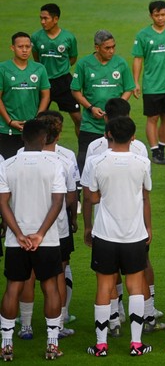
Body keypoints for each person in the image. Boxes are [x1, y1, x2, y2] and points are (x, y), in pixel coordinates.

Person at [84, 117, 153, 357]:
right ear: (133, 136)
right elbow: (145, 195)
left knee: (104, 286)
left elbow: (92, 198)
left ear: (108, 134)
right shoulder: (143, 162)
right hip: (134, 234)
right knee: (135, 287)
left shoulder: (96, 161)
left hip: (105, 234)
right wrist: (148, 227)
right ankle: (136, 344)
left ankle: (101, 345)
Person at [0, 120, 66, 361]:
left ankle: (6, 344)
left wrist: (18, 234)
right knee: (50, 287)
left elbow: (2, 203)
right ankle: (52, 343)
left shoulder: (8, 165)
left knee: (13, 288)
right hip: (46, 240)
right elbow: (58, 202)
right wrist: (39, 234)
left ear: (22, 138)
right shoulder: (55, 164)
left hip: (16, 240)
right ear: (44, 139)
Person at [15, 112, 78, 341]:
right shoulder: (66, 157)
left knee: (27, 275)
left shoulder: (19, 155)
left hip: (23, 228)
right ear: (57, 133)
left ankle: (26, 326)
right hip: (55, 229)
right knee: (56, 276)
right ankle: (58, 324)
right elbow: (70, 196)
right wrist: (71, 219)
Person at [71, 30, 135, 172]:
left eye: (113, 47)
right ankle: (80, 191)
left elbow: (129, 88)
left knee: (116, 164)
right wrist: (90, 108)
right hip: (90, 125)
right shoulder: (84, 64)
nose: (111, 51)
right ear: (97, 47)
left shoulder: (121, 63)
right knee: (84, 161)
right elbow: (75, 90)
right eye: (107, 48)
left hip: (116, 124)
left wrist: (117, 108)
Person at [132, 0, 165, 165]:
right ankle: (154, 150)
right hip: (151, 85)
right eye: (157, 15)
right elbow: (138, 59)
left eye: (163, 14)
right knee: (152, 118)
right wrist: (136, 82)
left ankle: (161, 147)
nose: (160, 18)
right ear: (151, 15)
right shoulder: (143, 35)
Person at [32, 3, 80, 135]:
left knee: (78, 118)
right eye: (41, 18)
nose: (42, 22)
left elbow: (73, 57)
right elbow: (36, 58)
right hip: (44, 82)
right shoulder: (36, 37)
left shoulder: (68, 38)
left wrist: (61, 69)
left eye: (45, 18)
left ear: (56, 19)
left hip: (64, 82)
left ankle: (83, 150)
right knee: (37, 119)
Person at [0, 32, 50, 159]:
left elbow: (45, 96)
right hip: (7, 129)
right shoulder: (2, 69)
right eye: (20, 46)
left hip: (32, 130)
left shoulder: (39, 68)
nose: (24, 50)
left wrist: (36, 119)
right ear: (12, 48)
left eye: (27, 47)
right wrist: (9, 121)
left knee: (33, 166)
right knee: (7, 166)